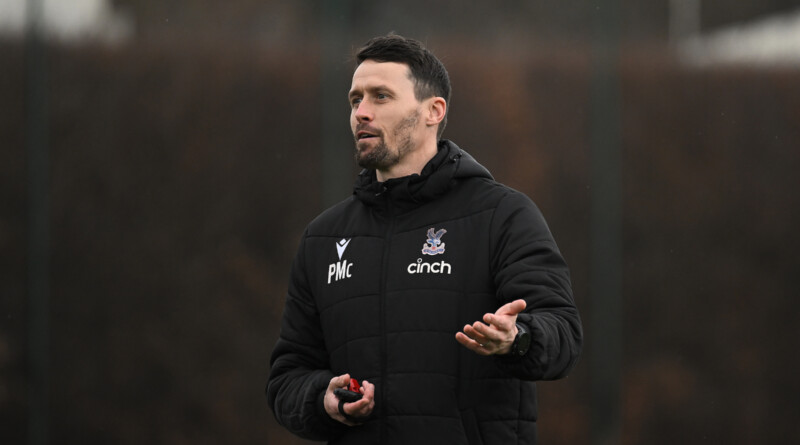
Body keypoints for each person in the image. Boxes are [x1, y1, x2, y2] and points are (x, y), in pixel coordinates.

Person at [266, 34, 582, 444]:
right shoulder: (324, 237)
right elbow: (288, 376)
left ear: (434, 111)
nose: (362, 112)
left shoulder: (502, 215)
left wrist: (518, 338)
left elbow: (564, 336)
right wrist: (322, 398)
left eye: (381, 97)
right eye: (355, 100)